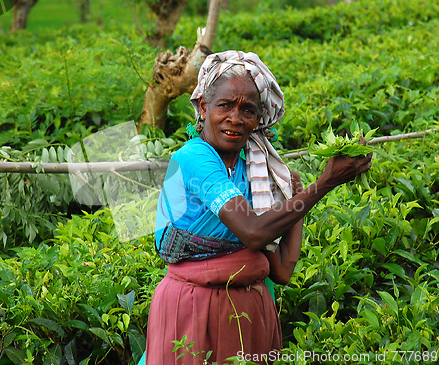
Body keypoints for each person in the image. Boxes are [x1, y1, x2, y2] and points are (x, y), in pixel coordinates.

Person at [141, 50, 372, 365]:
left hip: (251, 315)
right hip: (194, 311)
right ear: (204, 107)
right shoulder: (194, 158)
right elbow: (251, 232)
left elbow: (281, 271)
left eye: (247, 109)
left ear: (259, 117)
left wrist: (294, 195)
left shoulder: (258, 169)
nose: (235, 119)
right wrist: (326, 182)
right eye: (225, 105)